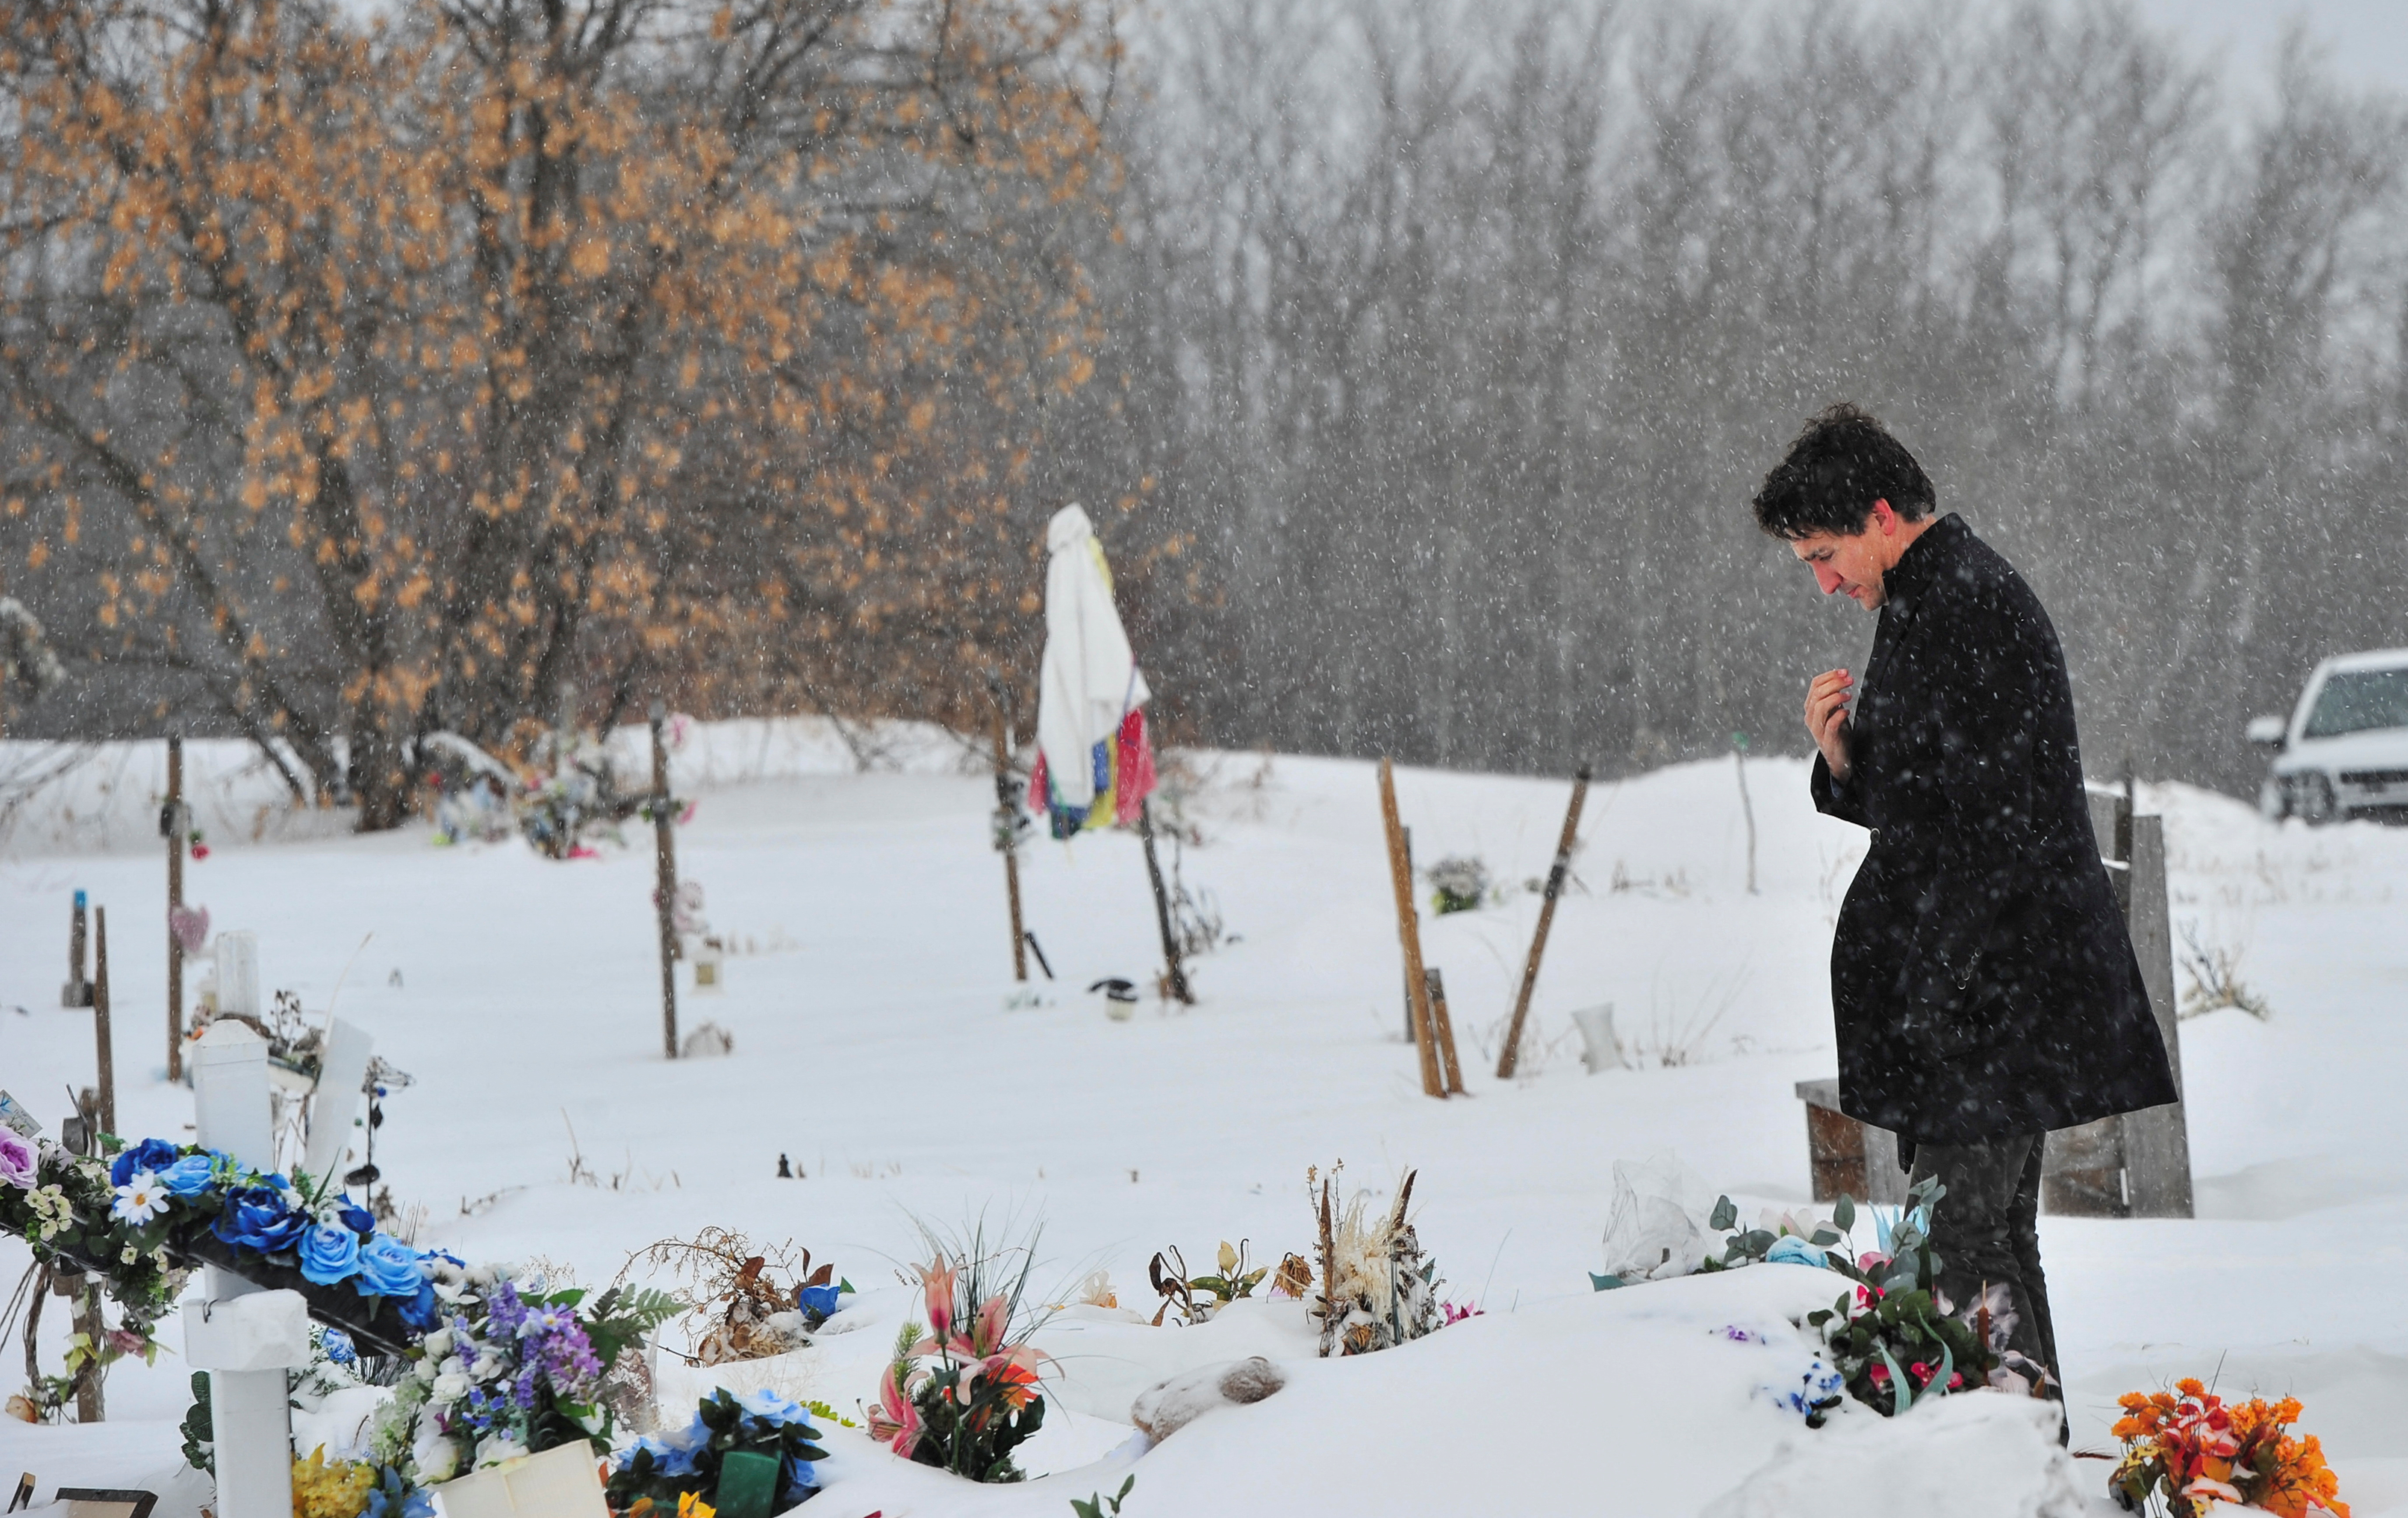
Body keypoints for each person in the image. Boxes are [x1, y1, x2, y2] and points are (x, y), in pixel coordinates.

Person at [1751, 403, 2177, 1411]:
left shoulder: (1964, 606)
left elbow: (1988, 831)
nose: (1822, 581)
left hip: (1988, 987)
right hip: (1981, 982)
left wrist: (1936, 998)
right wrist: (1845, 761)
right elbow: (1939, 797)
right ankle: (2032, 1459)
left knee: (1958, 1239)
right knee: (1988, 1233)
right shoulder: (1928, 600)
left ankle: (2001, 1465)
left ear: (1882, 514)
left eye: (1823, 553)